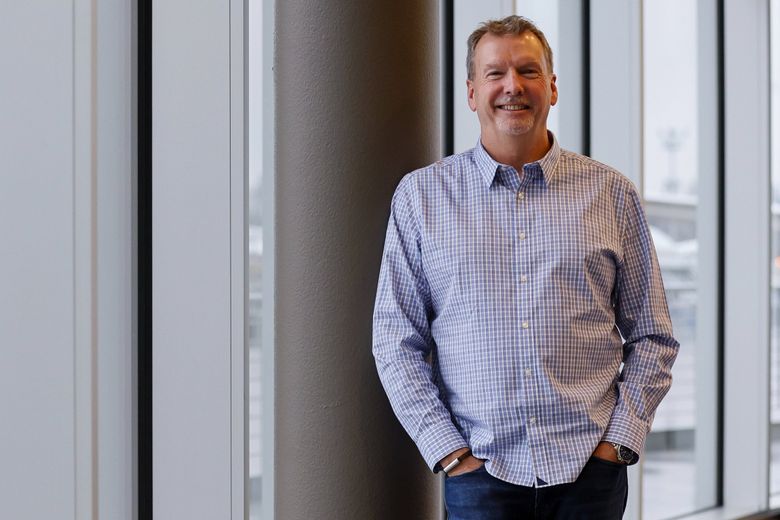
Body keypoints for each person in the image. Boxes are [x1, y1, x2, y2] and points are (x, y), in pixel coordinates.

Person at [372, 15, 679, 519]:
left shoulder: (611, 194)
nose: (512, 86)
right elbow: (394, 340)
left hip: (591, 477)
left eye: (528, 71)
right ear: (472, 92)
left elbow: (653, 336)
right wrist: (450, 453)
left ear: (552, 88)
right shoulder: (422, 198)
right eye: (495, 73)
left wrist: (618, 443)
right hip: (480, 479)